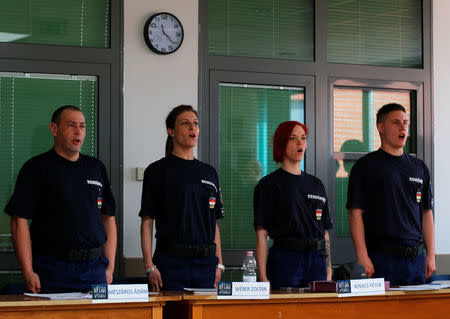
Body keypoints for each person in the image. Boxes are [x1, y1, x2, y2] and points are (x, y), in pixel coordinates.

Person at [5, 105, 117, 293]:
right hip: (52, 269)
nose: (78, 131)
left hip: (95, 269)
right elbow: (19, 220)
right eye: (71, 125)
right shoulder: (36, 168)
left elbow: (108, 217)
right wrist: (28, 271)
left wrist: (110, 267)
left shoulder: (96, 167)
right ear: (54, 129)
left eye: (82, 126)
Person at [347, 103, 436, 285]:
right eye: (396, 122)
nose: (403, 127)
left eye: (405, 122)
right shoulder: (365, 166)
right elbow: (355, 214)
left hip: (416, 259)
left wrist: (431, 255)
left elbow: (427, 213)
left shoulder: (419, 167)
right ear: (381, 128)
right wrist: (362, 255)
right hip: (382, 258)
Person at [139, 104, 224, 291]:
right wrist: (149, 265)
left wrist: (219, 263)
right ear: (171, 131)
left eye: (195, 123)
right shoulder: (157, 171)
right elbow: (147, 221)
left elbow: (214, 222)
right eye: (185, 123)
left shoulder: (210, 173)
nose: (192, 127)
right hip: (171, 263)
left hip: (206, 264)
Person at [254, 121, 333, 289]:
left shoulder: (316, 184)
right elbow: (262, 234)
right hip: (286, 259)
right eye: (293, 138)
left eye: (303, 138)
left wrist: (328, 267)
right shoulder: (268, 184)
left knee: (318, 312)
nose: (300, 143)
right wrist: (262, 276)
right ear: (281, 143)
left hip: (317, 259)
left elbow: (324, 231)